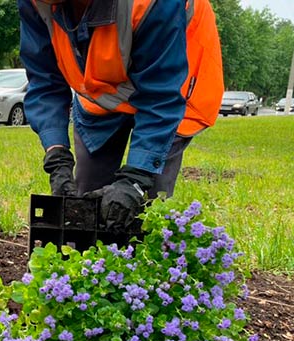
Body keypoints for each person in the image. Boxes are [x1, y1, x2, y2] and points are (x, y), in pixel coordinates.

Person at [19, 0, 223, 231]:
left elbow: (160, 96)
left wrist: (135, 179)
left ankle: (146, 259)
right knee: (85, 200)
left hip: (173, 82)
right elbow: (45, 79)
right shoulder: (37, 3)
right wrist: (57, 156)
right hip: (102, 90)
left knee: (147, 202)